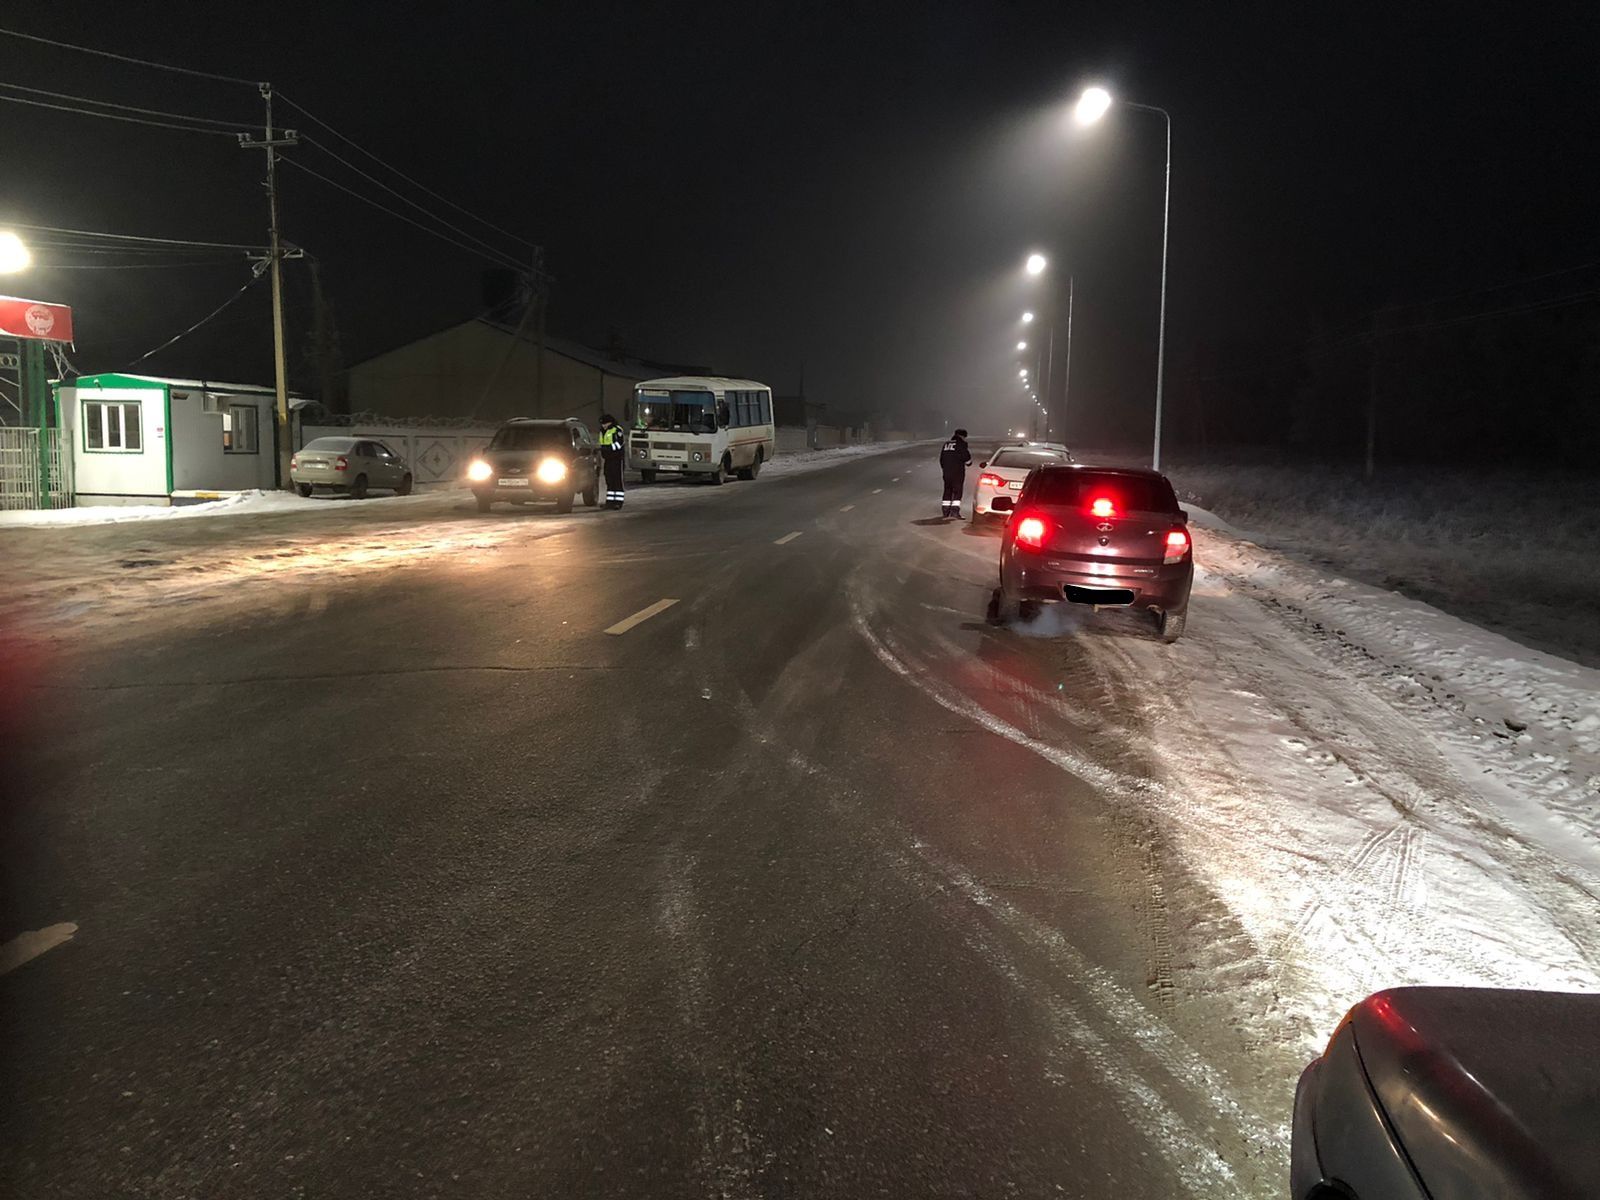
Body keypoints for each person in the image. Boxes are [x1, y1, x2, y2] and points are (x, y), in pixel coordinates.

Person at [938, 427, 972, 518]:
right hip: (958, 473)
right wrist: (968, 463)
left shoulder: (946, 444)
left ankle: (945, 511)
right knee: (957, 492)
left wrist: (945, 468)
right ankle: (955, 512)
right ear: (962, 436)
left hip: (947, 472)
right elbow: (967, 460)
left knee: (947, 490)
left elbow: (941, 459)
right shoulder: (961, 444)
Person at [598, 414, 626, 509]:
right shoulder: (602, 431)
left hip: (617, 459)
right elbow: (601, 444)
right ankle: (610, 502)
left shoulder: (617, 430)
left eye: (605, 424)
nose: (603, 426)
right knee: (609, 481)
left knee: (617, 481)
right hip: (607, 459)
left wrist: (608, 448)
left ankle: (618, 503)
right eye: (602, 424)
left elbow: (619, 444)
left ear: (610, 422)